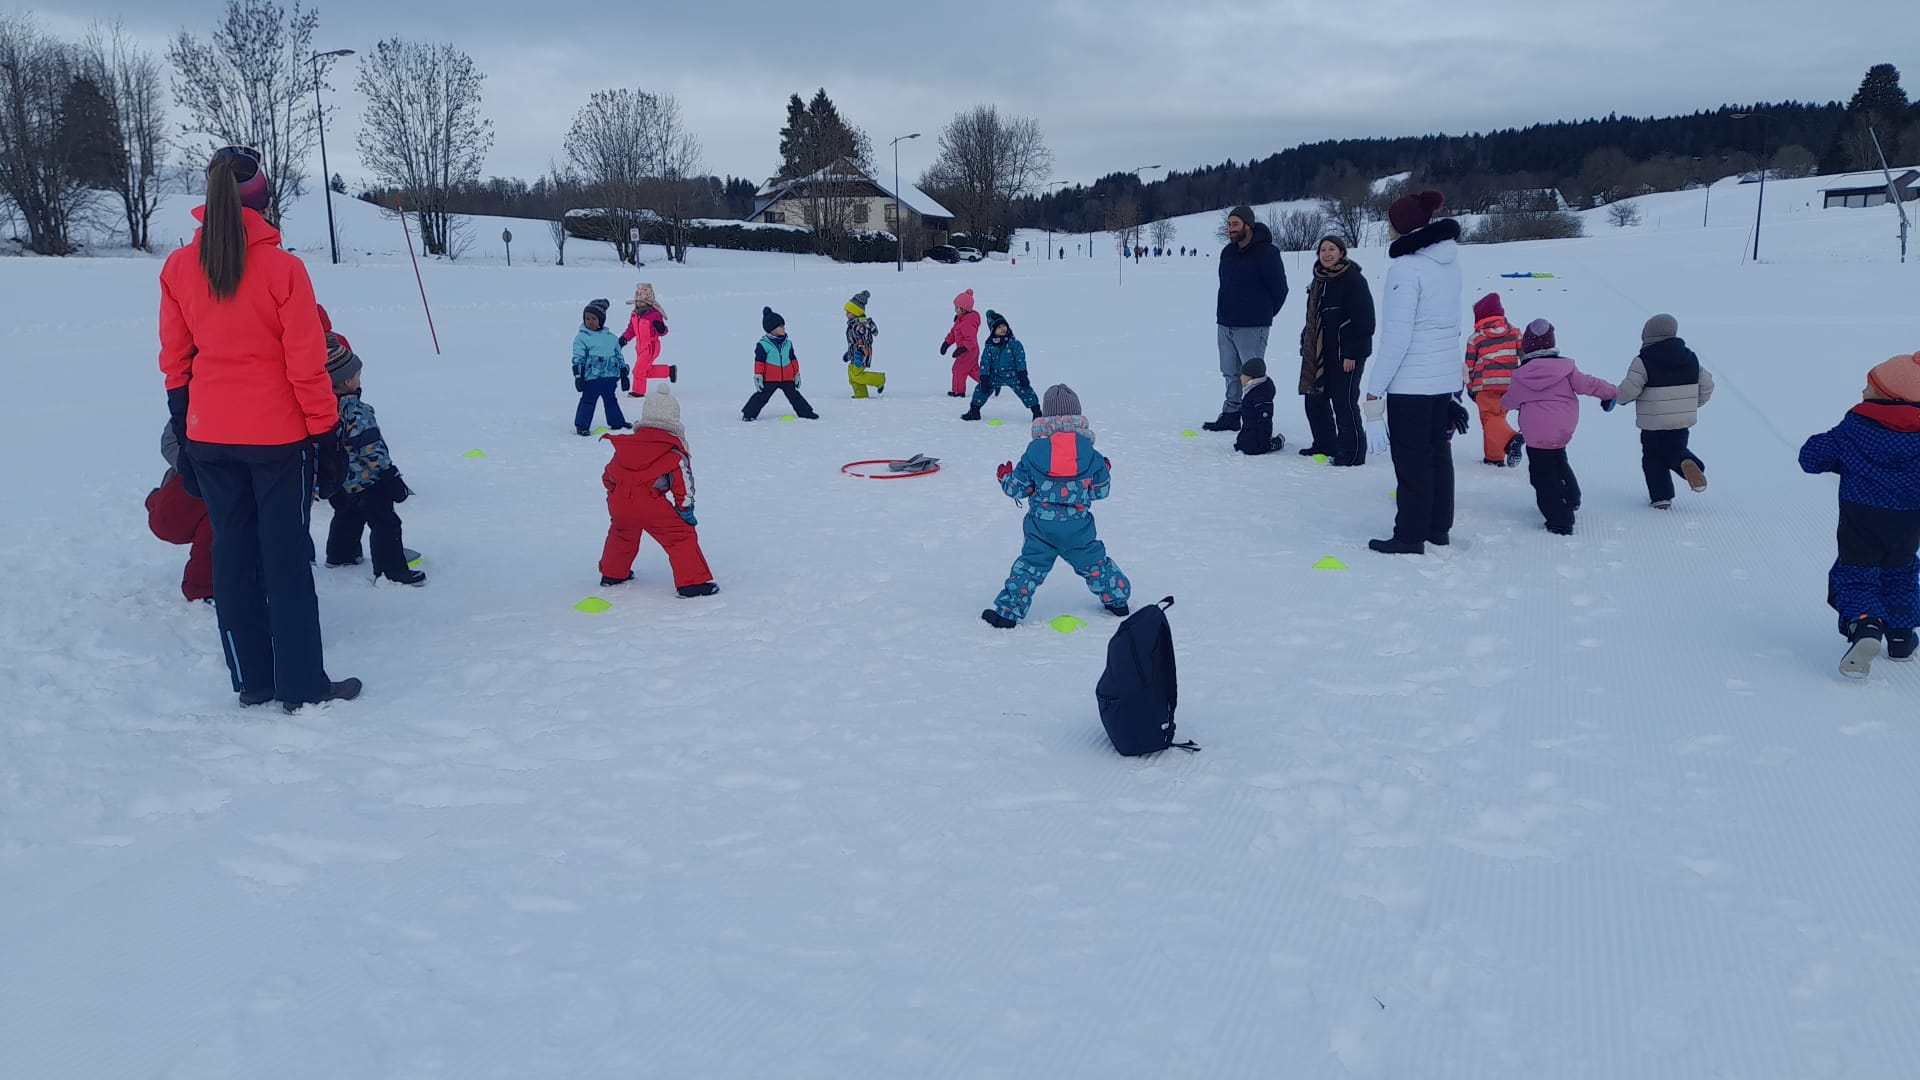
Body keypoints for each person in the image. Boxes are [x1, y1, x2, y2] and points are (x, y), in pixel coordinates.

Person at [157, 145, 358, 710]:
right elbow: (306, 365)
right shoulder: (283, 269)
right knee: (285, 558)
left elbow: (176, 361)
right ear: (263, 199)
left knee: (232, 554)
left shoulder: (178, 267)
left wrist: (186, 433)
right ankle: (301, 684)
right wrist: (327, 436)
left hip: (210, 436)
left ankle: (252, 681)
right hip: (278, 441)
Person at [1797, 351, 1920, 675]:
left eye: (1870, 387)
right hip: (1908, 523)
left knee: (1857, 575)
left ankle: (1866, 625)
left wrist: (1845, 461)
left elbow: (1811, 458)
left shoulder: (1856, 427)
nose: (1863, 391)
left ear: (1887, 397)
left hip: (1860, 521)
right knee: (1901, 573)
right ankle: (1901, 637)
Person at [982, 384, 1132, 628]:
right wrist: (1103, 471)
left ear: (1046, 416)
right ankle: (1117, 600)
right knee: (1094, 563)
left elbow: (1017, 489)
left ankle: (1007, 613)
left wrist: (1005, 477)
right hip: (1078, 528)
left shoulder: (1034, 453)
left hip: (1042, 528)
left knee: (1029, 567)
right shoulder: (1091, 455)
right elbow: (1100, 492)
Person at [1365, 190, 1464, 555]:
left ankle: (1409, 535)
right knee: (1438, 455)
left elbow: (1397, 337)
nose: (1388, 227)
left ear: (1402, 225)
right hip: (1442, 380)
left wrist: (1374, 390)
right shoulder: (1448, 264)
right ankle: (1438, 529)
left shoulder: (1406, 269)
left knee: (1412, 462)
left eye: (1390, 222)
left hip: (1411, 383)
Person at [320, 327, 424, 586]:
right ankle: (392, 570)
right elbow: (370, 447)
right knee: (386, 523)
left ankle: (340, 555)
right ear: (346, 381)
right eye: (357, 375)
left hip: (341, 481)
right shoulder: (357, 411)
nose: (359, 379)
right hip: (369, 481)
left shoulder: (324, 409)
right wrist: (390, 474)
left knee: (347, 515)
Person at [1500, 320, 1618, 536]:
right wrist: (1610, 393)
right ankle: (1571, 498)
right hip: (1563, 428)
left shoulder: (1521, 375)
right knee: (1558, 460)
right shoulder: (1566, 369)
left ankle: (1559, 520)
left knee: (1542, 475)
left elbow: (1510, 402)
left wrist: (1507, 401)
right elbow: (1588, 384)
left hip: (1535, 433)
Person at [599, 389, 719, 597]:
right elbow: (683, 484)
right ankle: (691, 584)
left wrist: (617, 494)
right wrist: (685, 509)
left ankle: (612, 575)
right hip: (649, 503)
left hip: (619, 500)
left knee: (622, 533)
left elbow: (608, 476)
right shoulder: (673, 450)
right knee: (680, 536)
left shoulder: (627, 446)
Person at [1203, 205, 1289, 432]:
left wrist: (1262, 314)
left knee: (1252, 374)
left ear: (1248, 226)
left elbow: (1280, 289)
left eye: (1235, 224)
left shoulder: (1267, 253)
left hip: (1252, 326)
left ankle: (1255, 418)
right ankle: (1232, 414)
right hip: (1225, 324)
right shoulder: (1227, 253)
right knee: (1230, 372)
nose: (1231, 229)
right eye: (1229, 224)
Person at [1615, 314, 1714, 509]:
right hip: (1681, 420)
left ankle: (1661, 497)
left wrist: (1618, 398)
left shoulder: (1644, 360)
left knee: (1652, 457)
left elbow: (1631, 388)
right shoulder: (1690, 358)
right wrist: (1695, 403)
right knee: (1675, 450)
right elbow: (1707, 384)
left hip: (1652, 422)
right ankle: (1688, 462)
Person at [1297, 235, 1375, 465]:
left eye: (1332, 249)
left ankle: (1353, 452)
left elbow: (1364, 320)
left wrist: (1352, 352)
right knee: (1315, 398)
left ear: (1342, 252)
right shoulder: (1318, 281)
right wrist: (1306, 340)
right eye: (1323, 250)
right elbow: (1314, 319)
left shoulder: (1353, 279)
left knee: (1344, 402)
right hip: (1320, 354)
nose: (1327, 254)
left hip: (1345, 356)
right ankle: (1326, 444)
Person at [146, 423, 213, 602]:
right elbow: (170, 442)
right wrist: (200, 468)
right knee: (218, 516)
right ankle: (201, 588)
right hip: (191, 487)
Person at [1464, 292, 1523, 467]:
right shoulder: (1515, 332)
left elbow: (1469, 366)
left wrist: (1470, 387)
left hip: (1485, 386)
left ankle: (1511, 440)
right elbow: (1524, 357)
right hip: (1509, 386)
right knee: (1496, 420)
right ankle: (1494, 458)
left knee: (1489, 418)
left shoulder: (1476, 338)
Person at [962, 310, 1042, 421]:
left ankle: (1037, 412)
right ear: (993, 330)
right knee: (981, 390)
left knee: (1026, 391)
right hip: (995, 376)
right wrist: (984, 377)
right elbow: (985, 362)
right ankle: (974, 411)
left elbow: (1020, 359)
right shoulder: (990, 346)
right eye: (999, 327)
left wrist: (1022, 374)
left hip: (1013, 375)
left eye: (1004, 325)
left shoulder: (1015, 344)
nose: (1003, 328)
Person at [742, 307, 819, 420]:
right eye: (780, 327)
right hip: (770, 378)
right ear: (772, 329)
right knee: (761, 396)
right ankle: (748, 414)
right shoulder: (763, 345)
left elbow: (793, 359)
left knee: (795, 396)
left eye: (784, 326)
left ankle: (806, 413)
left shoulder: (788, 343)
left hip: (787, 377)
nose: (784, 328)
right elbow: (759, 362)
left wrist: (796, 374)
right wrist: (758, 375)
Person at [573, 299, 631, 436]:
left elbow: (619, 356)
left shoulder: (611, 338)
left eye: (594, 318)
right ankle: (582, 425)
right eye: (587, 318)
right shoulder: (582, 338)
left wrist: (624, 374)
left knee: (611, 401)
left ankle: (617, 422)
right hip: (592, 378)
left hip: (610, 377)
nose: (590, 322)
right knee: (588, 401)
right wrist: (578, 376)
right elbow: (578, 358)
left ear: (601, 320)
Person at [618, 282, 676, 398]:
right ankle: (669, 371)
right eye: (637, 301)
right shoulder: (635, 314)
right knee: (645, 370)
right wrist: (624, 338)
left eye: (642, 302)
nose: (639, 304)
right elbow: (631, 329)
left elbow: (663, 331)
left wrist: (660, 328)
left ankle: (638, 392)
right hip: (640, 347)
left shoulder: (654, 314)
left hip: (651, 347)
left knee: (638, 371)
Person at [1234, 359, 1285, 455]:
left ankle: (1274, 443)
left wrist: (1263, 437)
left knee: (1252, 448)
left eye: (1243, 375)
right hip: (1250, 427)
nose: (1240, 377)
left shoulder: (1261, 394)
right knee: (1241, 443)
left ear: (1250, 378)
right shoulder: (1253, 389)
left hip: (1258, 432)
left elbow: (1265, 416)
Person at [843, 290, 886, 398]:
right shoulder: (854, 324)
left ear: (856, 312)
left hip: (861, 355)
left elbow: (865, 340)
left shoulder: (860, 326)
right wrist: (849, 353)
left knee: (857, 375)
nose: (846, 314)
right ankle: (861, 396)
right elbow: (853, 342)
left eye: (849, 312)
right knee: (852, 376)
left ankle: (879, 380)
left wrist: (860, 353)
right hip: (855, 354)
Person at [941, 289, 982, 398]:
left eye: (957, 308)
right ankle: (989, 383)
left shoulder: (968, 323)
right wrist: (946, 343)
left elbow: (970, 339)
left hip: (968, 351)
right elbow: (953, 333)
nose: (955, 310)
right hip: (968, 350)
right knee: (972, 370)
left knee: (958, 369)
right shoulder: (960, 320)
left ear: (964, 309)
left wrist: (962, 349)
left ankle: (959, 392)